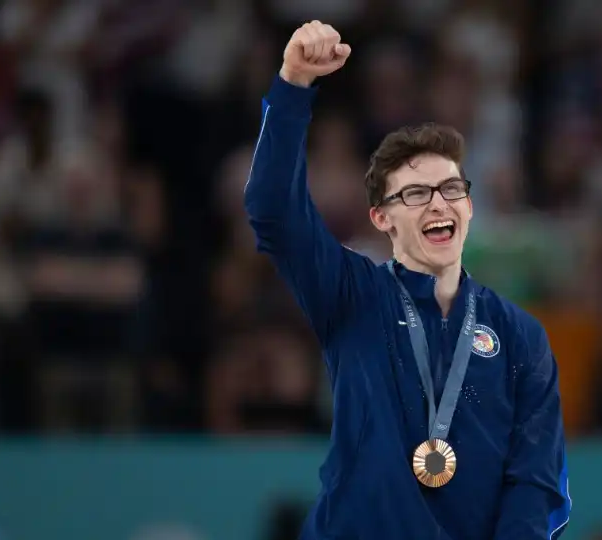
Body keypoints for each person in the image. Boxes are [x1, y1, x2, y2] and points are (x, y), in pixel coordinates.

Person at [244, 20, 571, 540]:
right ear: (381, 218)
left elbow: (536, 482)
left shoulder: (519, 336)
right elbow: (272, 211)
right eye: (416, 194)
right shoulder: (352, 294)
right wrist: (292, 84)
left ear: (469, 206)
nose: (438, 204)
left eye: (450, 189)